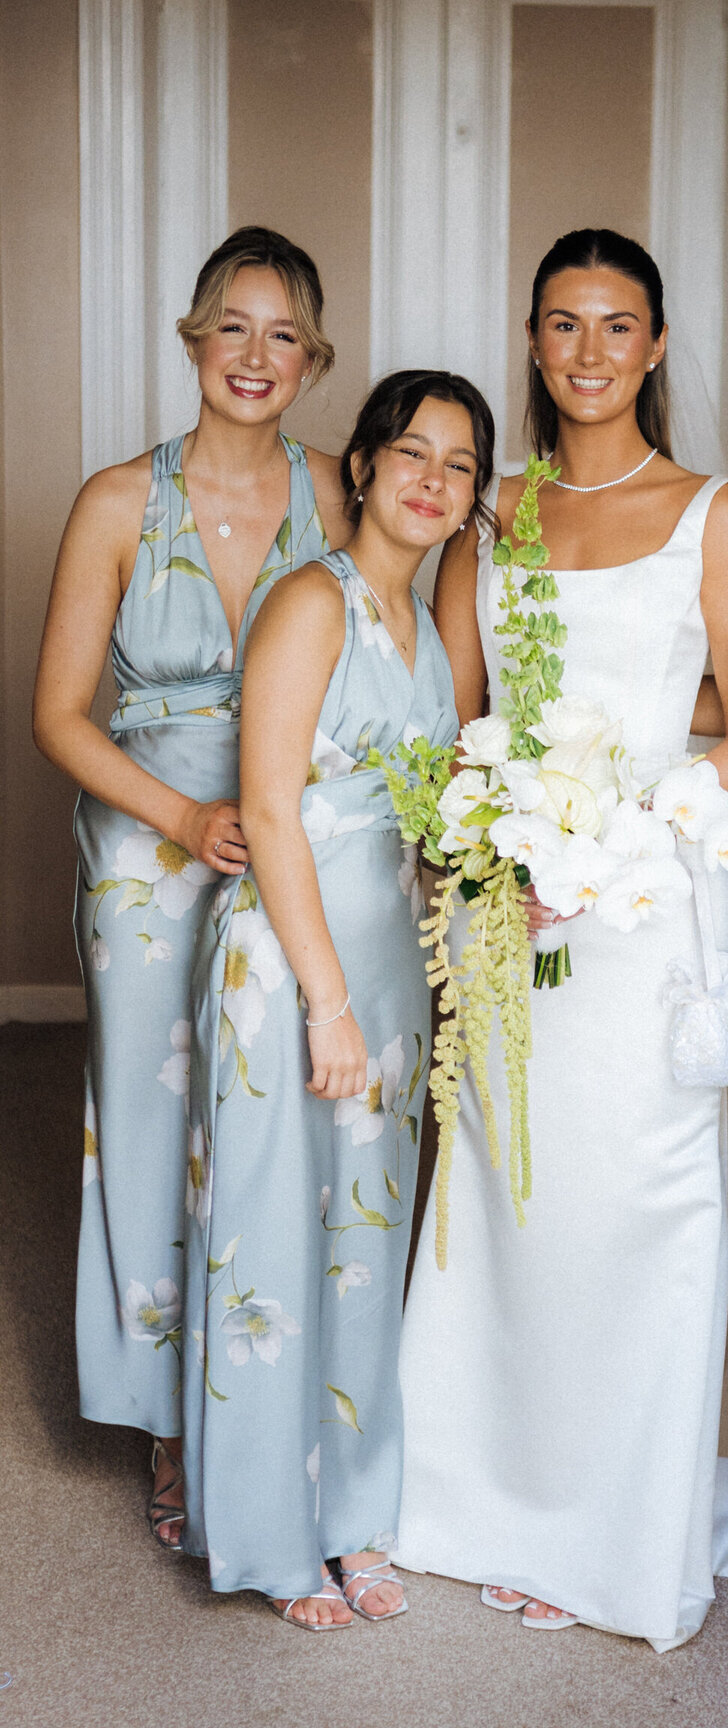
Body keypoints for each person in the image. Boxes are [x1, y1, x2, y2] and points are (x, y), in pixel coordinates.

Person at [396, 229, 728, 1648]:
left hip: (648, 901)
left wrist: (624, 837)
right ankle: (486, 1497)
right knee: (506, 1196)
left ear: (657, 346)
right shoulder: (487, 512)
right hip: (508, 899)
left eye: (620, 327)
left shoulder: (714, 511)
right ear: (534, 340)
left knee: (631, 1202)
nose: (591, 353)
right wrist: (485, 843)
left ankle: (612, 1531)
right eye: (564, 325)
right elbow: (450, 709)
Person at [32, 227, 343, 1550]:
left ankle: (279, 1384)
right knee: (160, 1113)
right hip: (151, 850)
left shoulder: (345, 488)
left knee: (275, 1112)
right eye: (234, 327)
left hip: (300, 832)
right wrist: (181, 818)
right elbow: (60, 714)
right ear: (192, 342)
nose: (255, 356)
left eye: (283, 335)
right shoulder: (115, 502)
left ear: (316, 359)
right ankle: (169, 1412)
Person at [179, 370, 489, 1630]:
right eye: (408, 451)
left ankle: (355, 1512)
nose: (430, 478)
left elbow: (439, 816)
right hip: (290, 970)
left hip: (386, 967)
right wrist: (326, 1002)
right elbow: (267, 809)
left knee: (366, 1248)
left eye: (459, 464)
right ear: (358, 466)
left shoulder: (429, 630)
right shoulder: (312, 602)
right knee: (272, 1244)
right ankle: (265, 1537)